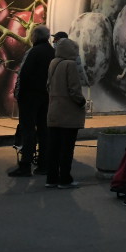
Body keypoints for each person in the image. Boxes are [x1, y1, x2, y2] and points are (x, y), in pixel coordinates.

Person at [8, 25, 54, 178]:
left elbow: (24, 74)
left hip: (30, 97)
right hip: (46, 96)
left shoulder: (33, 52)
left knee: (28, 130)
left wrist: (18, 94)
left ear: (34, 36)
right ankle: (44, 164)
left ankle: (25, 165)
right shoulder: (52, 52)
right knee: (44, 130)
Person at [43, 37, 86, 188]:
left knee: (53, 147)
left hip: (54, 110)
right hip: (68, 112)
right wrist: (82, 102)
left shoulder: (53, 63)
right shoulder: (70, 65)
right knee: (66, 148)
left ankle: (51, 178)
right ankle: (65, 179)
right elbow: (74, 89)